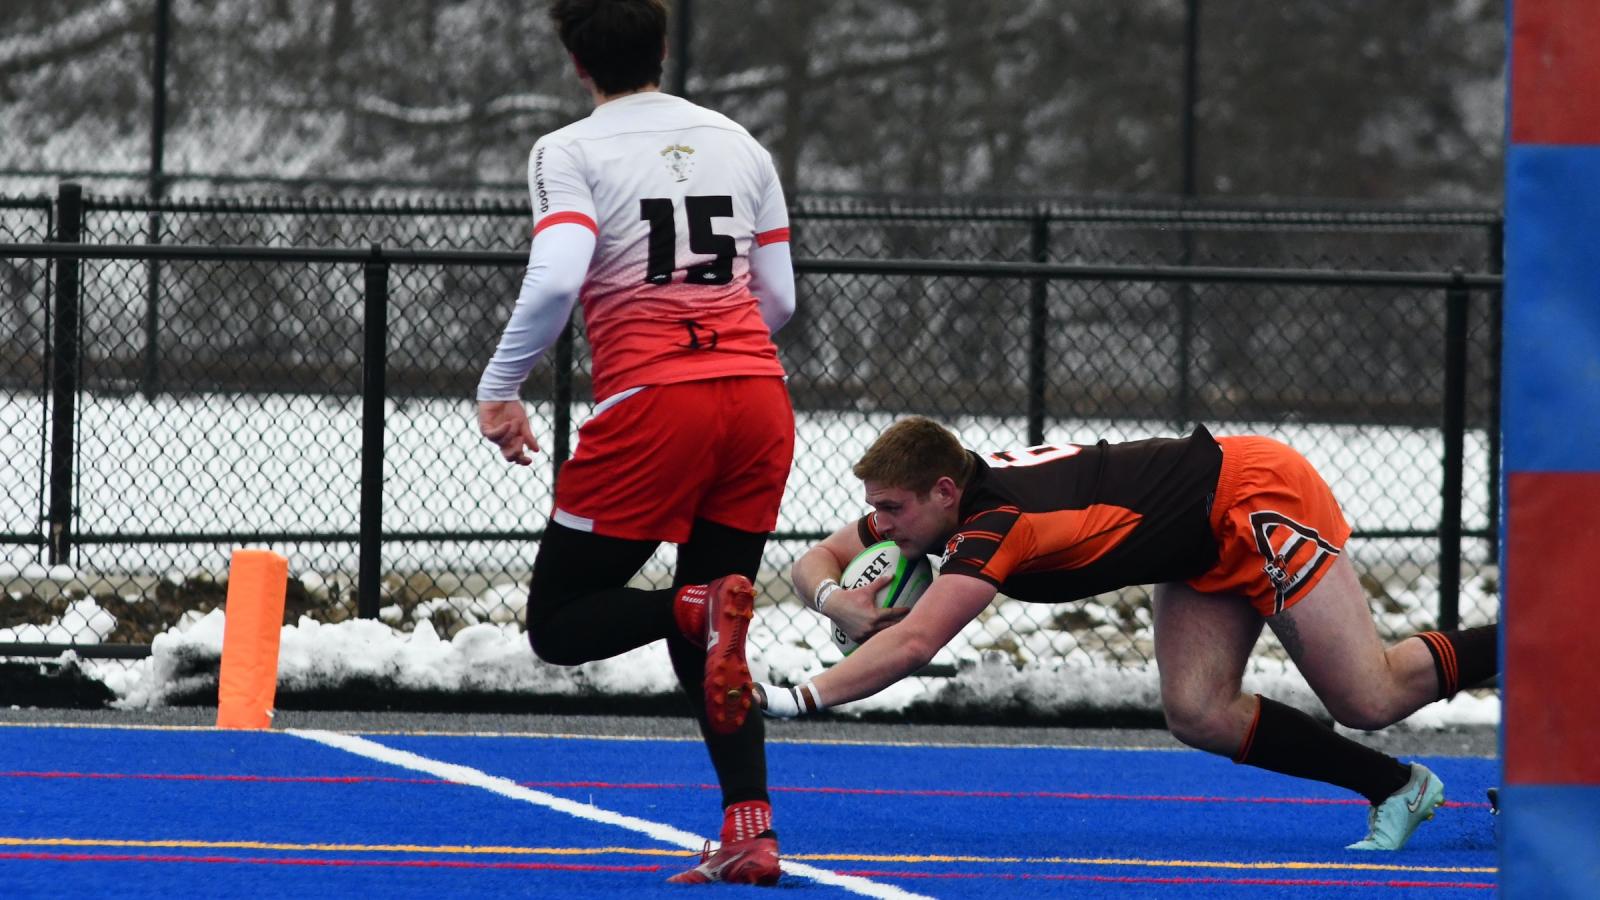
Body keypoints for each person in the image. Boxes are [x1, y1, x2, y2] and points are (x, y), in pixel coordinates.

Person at [761, 417, 1497, 852]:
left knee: (1370, 696)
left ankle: (1548, 640)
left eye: (890, 510)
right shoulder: (939, 502)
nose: (880, 527)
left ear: (944, 492)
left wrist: (795, 699)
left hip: (1253, 494)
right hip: (1193, 538)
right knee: (1199, 711)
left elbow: (917, 643)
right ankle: (1397, 786)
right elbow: (813, 561)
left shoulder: (994, 526)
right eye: (876, 512)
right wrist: (837, 601)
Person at [476, 0, 794, 886]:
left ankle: (689, 607)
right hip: (760, 399)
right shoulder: (741, 144)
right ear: (662, 46)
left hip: (658, 404)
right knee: (719, 628)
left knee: (560, 623)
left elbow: (557, 276)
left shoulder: (568, 150)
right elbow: (781, 300)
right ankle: (750, 830)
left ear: (577, 63)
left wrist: (500, 387)